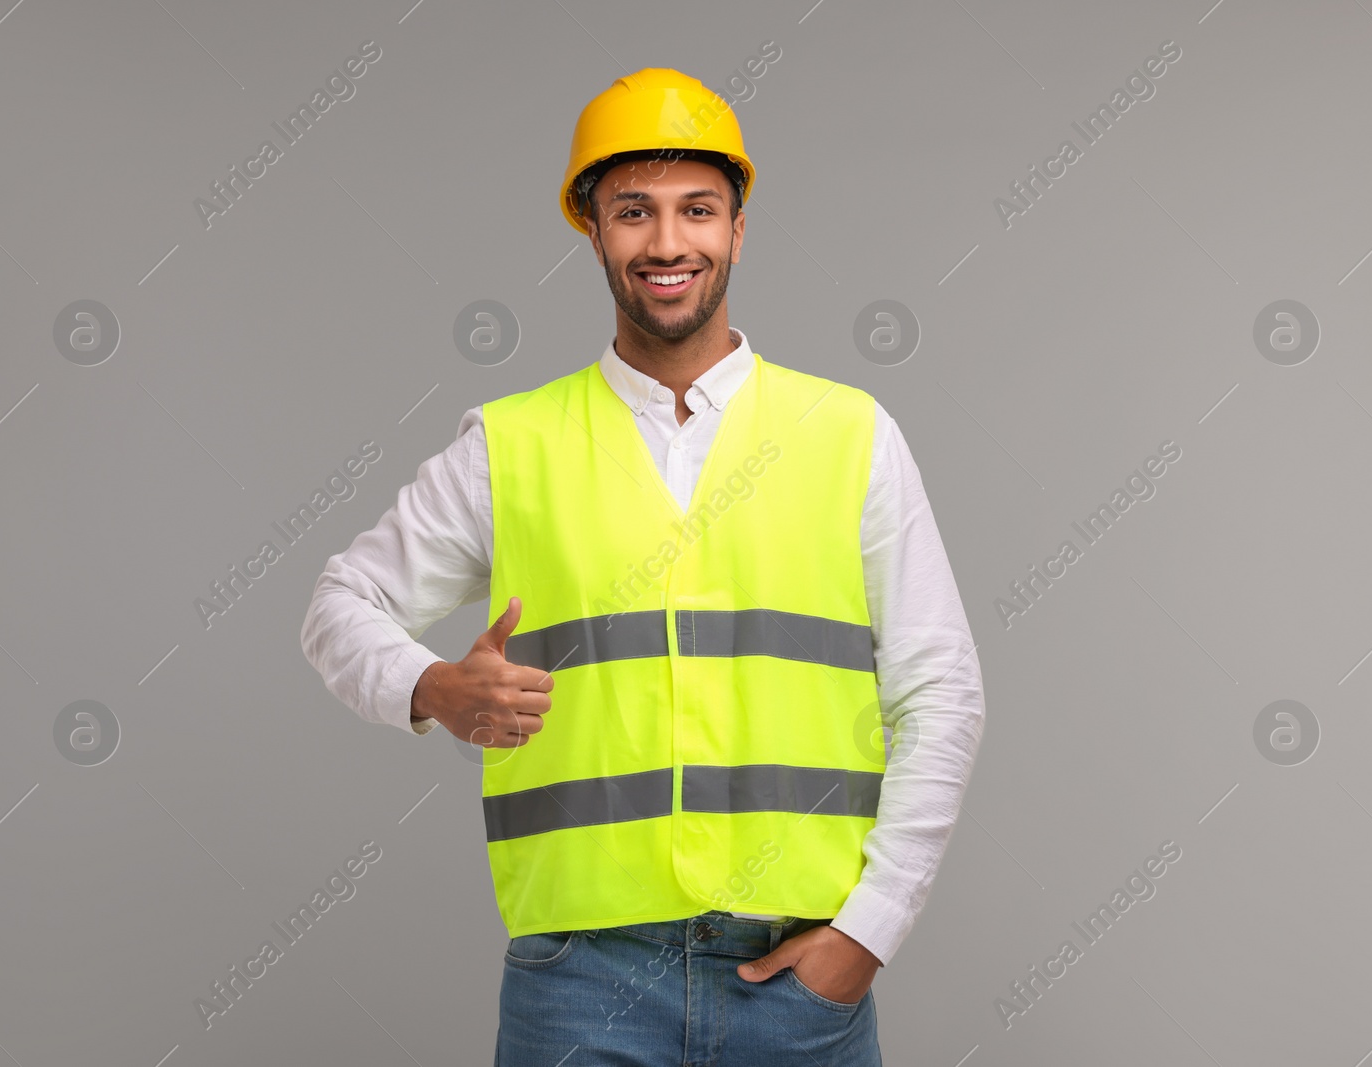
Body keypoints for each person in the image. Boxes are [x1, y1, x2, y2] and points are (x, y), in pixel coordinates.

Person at [300, 67, 985, 1066]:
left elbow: (942, 690)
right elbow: (338, 602)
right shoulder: (510, 445)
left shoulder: (849, 436)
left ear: (737, 229)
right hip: (581, 984)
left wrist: (868, 930)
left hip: (797, 980)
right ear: (592, 229)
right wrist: (433, 684)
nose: (667, 243)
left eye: (696, 210)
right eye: (633, 211)